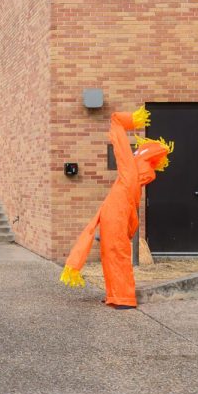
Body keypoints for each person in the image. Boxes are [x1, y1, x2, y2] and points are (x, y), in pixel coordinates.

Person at [59, 106, 175, 309]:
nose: (135, 154)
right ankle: (115, 295)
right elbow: (131, 210)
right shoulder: (136, 181)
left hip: (113, 219)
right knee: (112, 256)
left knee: (116, 255)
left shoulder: (131, 174)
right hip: (114, 219)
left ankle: (123, 297)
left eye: (138, 153)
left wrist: (128, 120)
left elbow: (116, 124)